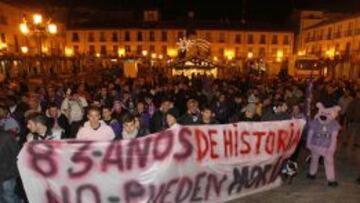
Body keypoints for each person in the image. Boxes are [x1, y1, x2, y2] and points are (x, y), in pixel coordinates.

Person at [0, 130, 20, 203]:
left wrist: (12, 171)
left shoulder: (7, 137)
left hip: (8, 174)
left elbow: (17, 154)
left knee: (8, 196)